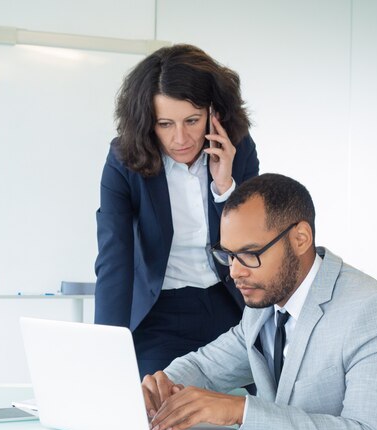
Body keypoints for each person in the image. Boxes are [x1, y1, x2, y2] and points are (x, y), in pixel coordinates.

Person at [142, 174, 377, 430]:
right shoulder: (264, 302)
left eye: (249, 254)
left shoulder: (375, 314)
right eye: (229, 255)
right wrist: (161, 387)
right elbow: (205, 368)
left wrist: (241, 411)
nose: (235, 273)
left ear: (300, 238)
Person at [94, 44, 259, 378]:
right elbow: (115, 259)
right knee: (158, 415)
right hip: (159, 313)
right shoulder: (124, 160)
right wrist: (105, 352)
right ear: (147, 122)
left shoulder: (239, 149)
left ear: (215, 112)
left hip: (229, 307)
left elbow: (254, 243)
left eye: (192, 121)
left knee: (243, 410)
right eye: (165, 124)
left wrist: (225, 186)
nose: (180, 138)